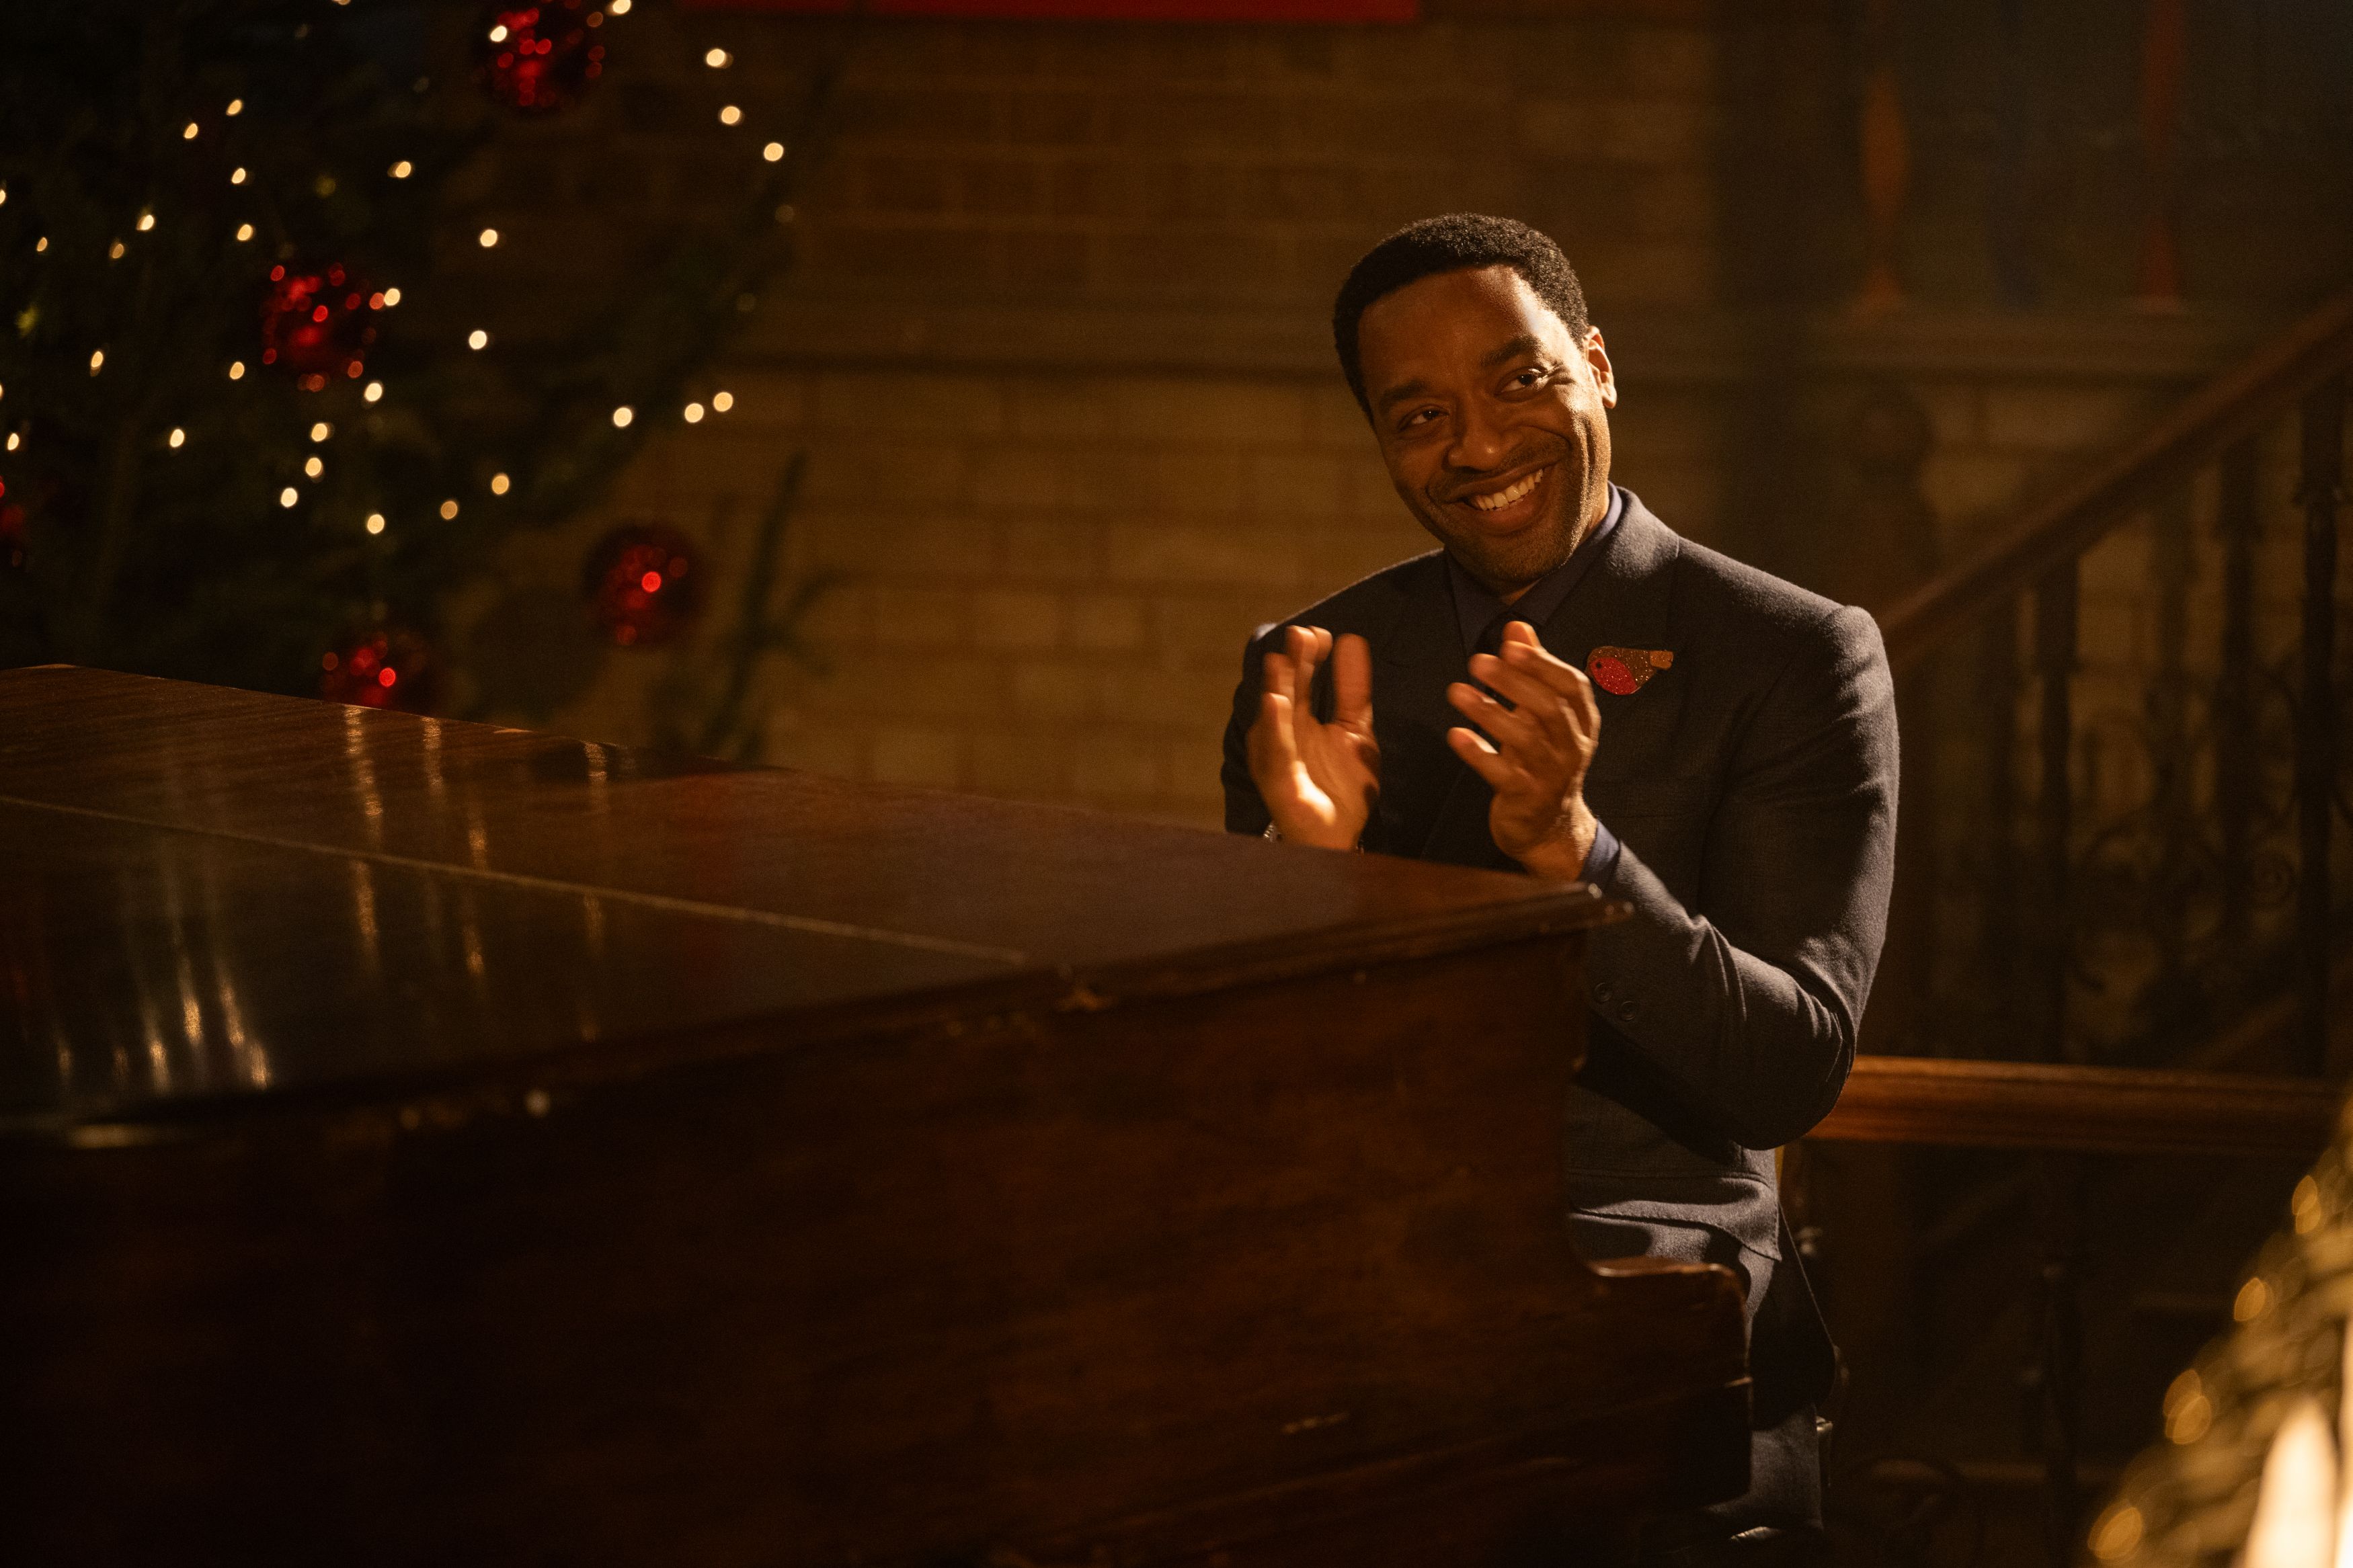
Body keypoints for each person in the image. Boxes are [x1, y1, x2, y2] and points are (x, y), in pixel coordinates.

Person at [1220, 214, 1899, 1565]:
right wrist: (1316, 875)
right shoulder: (1318, 663)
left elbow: (1787, 1073)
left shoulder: (1790, 653)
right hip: (1369, 1291)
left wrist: (1576, 851)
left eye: (1518, 380)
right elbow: (1265, 1081)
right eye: (1421, 416)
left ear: (1596, 366)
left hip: (1653, 1290)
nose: (1477, 446)